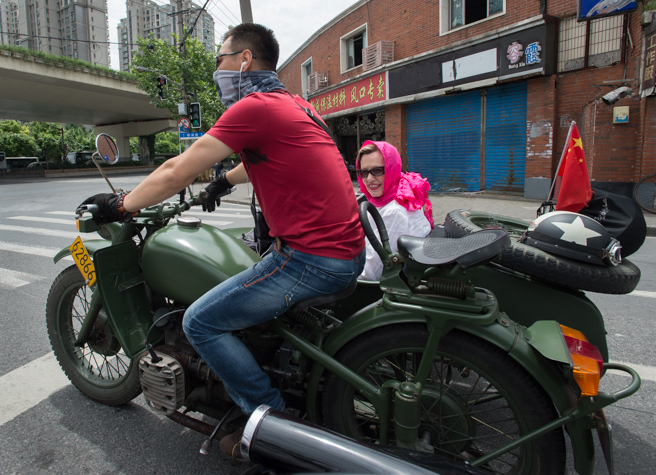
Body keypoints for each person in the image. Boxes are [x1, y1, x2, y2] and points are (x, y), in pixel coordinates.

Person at [79, 23, 365, 459]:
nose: (218, 69)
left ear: (244, 60)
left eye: (220, 60)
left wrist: (121, 207)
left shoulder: (255, 107)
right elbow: (251, 160)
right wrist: (223, 183)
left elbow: (179, 171)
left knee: (200, 321)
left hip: (311, 259)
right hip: (344, 251)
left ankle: (270, 422)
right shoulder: (295, 105)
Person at [356, 140, 433, 281]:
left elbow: (371, 273)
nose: (369, 179)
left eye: (377, 171)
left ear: (392, 169)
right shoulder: (402, 193)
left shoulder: (394, 211)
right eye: (364, 172)